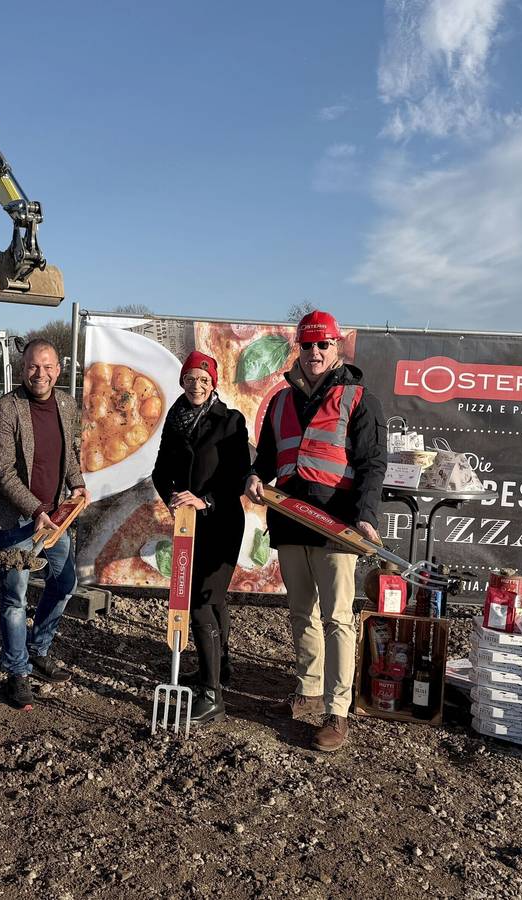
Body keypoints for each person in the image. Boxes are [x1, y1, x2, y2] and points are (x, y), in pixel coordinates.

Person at [246, 310, 386, 752]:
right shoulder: (279, 402)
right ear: (299, 348)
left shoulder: (360, 400)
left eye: (323, 344)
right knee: (301, 612)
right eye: (307, 345)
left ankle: (337, 710)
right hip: (290, 522)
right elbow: (267, 458)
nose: (315, 352)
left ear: (337, 346)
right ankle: (308, 691)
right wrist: (255, 476)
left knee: (338, 619)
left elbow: (371, 465)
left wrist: (365, 516)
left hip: (335, 527)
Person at [0, 338, 89, 709]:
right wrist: (35, 509)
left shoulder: (66, 404)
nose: (39, 374)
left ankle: (38, 647)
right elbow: (2, 471)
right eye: (32, 366)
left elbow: (69, 453)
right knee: (15, 597)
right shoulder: (6, 409)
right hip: (15, 520)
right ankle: (17, 671)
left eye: (47, 367)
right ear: (22, 368)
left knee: (65, 582)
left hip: (54, 520)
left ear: (58, 370)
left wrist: (77, 483)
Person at [151, 350, 250, 725]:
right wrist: (174, 499)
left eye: (204, 380)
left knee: (201, 601)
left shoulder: (231, 421)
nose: (197, 385)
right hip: (188, 524)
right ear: (182, 382)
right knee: (213, 598)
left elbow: (238, 476)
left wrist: (204, 500)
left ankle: (212, 697)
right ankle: (219, 669)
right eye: (190, 379)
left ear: (213, 384)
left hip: (221, 521)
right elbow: (161, 470)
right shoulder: (175, 418)